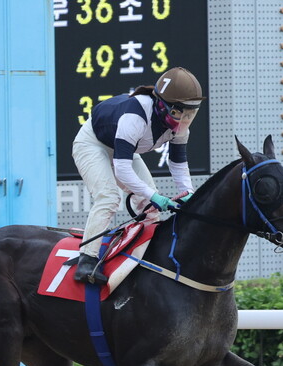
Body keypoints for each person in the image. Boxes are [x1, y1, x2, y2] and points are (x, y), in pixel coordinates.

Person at [72, 66, 205, 285]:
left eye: (191, 112)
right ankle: (87, 260)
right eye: (180, 112)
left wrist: (188, 192)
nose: (185, 119)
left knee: (149, 208)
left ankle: (149, 257)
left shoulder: (181, 128)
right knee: (108, 197)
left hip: (123, 149)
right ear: (162, 105)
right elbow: (122, 170)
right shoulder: (135, 117)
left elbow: (178, 163)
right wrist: (155, 196)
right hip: (93, 143)